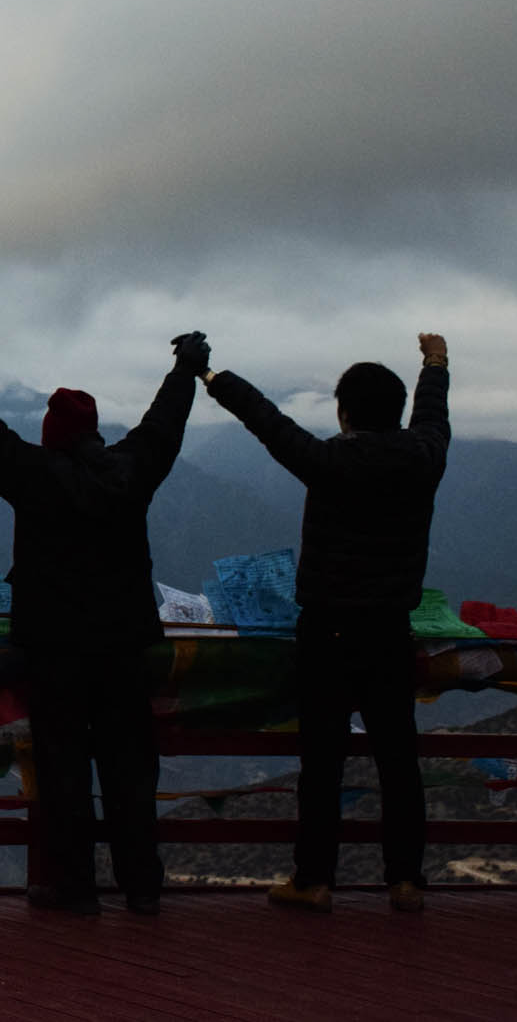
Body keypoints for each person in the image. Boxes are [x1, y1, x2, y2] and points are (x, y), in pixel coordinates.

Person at [0, 336, 207, 916]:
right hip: (124, 650)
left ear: (51, 433)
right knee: (129, 770)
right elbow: (164, 422)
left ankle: (75, 890)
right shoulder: (132, 470)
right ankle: (142, 886)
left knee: (65, 771)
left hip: (54, 654)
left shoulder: (31, 474)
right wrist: (185, 367)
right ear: (94, 431)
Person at [201, 333, 451, 913]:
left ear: (344, 413)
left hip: (328, 631)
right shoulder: (423, 459)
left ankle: (313, 879)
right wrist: (435, 362)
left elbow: (267, 421)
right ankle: (406, 880)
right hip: (390, 629)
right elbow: (433, 415)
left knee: (322, 762)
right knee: (397, 760)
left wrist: (212, 378)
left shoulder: (327, 461)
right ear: (395, 412)